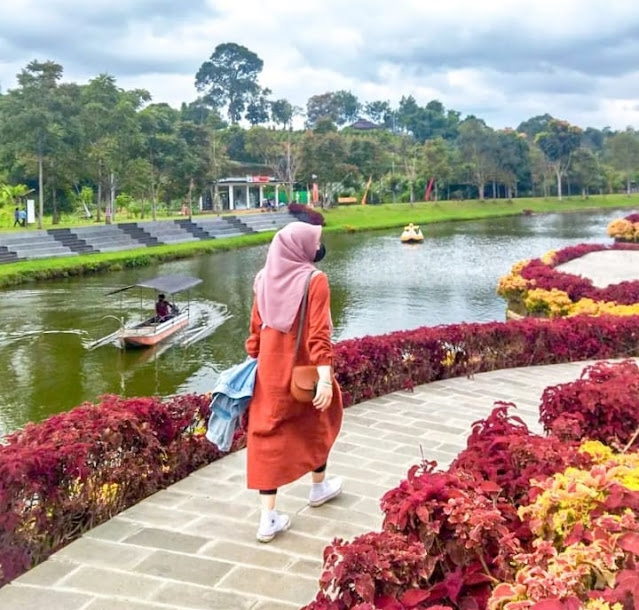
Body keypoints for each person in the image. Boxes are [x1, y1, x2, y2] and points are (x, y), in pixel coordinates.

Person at [246, 221, 343, 543]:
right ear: (301, 248)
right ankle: (318, 487)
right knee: (320, 421)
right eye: (316, 243)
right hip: (304, 371)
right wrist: (326, 380)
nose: (319, 248)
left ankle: (267, 518)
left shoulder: (262, 279)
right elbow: (319, 335)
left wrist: (254, 360)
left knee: (266, 436)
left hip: (268, 374)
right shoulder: (315, 280)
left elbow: (255, 331)